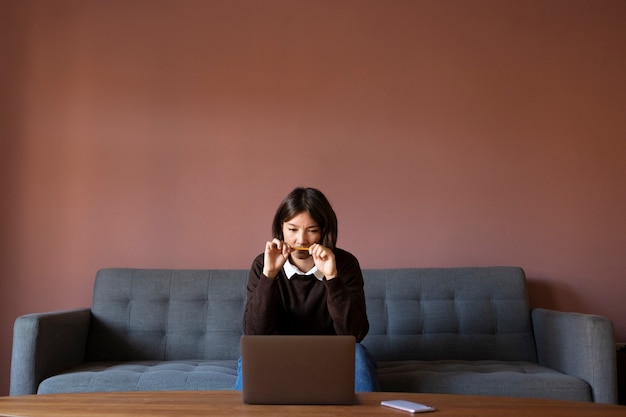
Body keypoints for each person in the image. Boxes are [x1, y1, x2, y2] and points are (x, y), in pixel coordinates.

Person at [237, 187, 379, 392]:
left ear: (324, 231)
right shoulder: (262, 264)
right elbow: (253, 333)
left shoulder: (345, 264)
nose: (301, 240)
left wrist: (332, 278)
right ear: (281, 228)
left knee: (359, 354)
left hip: (332, 356)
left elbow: (354, 334)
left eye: (312, 230)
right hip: (275, 356)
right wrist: (269, 276)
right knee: (250, 358)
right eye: (292, 230)